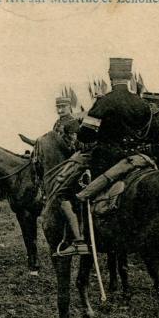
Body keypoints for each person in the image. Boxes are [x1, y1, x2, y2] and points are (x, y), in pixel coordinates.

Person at [56, 58, 151, 255]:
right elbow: (157, 135)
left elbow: (85, 135)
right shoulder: (142, 103)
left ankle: (80, 240)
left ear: (109, 76)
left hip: (107, 159)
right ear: (131, 77)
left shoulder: (104, 101)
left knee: (67, 192)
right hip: (138, 159)